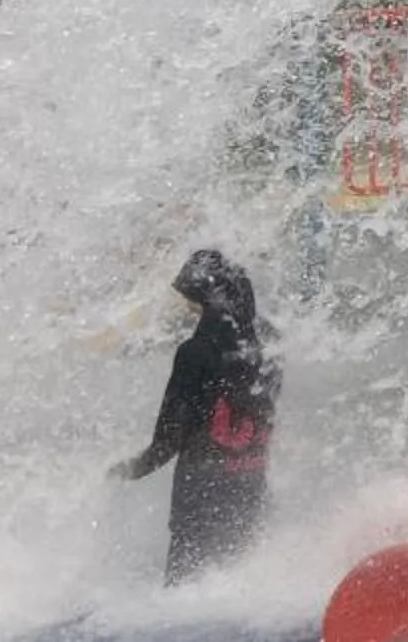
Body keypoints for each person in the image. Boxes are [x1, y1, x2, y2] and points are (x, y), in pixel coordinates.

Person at [109, 248, 279, 583]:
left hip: (201, 496)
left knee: (186, 590)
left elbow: (169, 439)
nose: (187, 309)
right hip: (250, 485)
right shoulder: (270, 347)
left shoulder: (195, 352)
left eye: (192, 301)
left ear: (207, 301)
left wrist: (123, 471)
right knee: (239, 584)